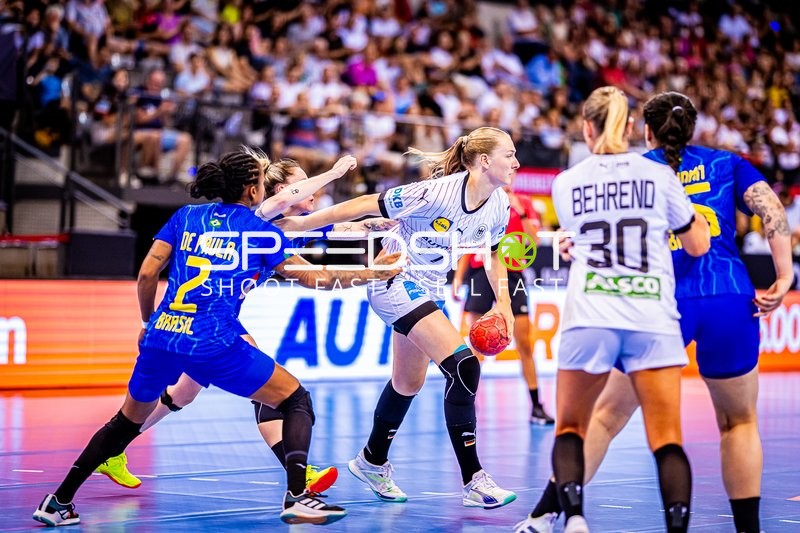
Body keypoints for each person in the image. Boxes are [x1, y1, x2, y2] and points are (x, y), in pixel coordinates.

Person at [32, 149, 401, 527]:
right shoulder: (260, 228)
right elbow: (314, 278)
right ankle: (298, 496)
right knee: (295, 400)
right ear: (253, 190)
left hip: (162, 334)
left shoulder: (186, 216)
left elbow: (146, 273)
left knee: (125, 422)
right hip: (211, 339)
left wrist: (148, 321)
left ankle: (57, 501)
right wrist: (373, 274)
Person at [520, 91, 792, 533]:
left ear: (644, 130)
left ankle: (550, 512)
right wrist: (782, 277)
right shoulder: (726, 163)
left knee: (606, 417)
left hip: (657, 302)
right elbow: (771, 209)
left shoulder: (635, 169)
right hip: (726, 293)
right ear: (693, 127)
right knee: (739, 422)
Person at [283, 126, 520, 509]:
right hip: (394, 279)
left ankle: (371, 461)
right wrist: (299, 225)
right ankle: (474, 480)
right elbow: (361, 203)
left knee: (407, 383)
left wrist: (504, 304)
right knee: (463, 367)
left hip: (431, 290)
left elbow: (493, 255)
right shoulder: (434, 192)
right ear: (485, 160)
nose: (517, 161)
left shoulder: (498, 203)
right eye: (509, 154)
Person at [514, 87, 711, 533]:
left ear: (586, 127)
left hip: (591, 313)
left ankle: (575, 518)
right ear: (629, 128)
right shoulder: (659, 177)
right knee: (667, 440)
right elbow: (696, 243)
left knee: (570, 427)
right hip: (651, 315)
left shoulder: (565, 182)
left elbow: (580, 239)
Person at [452, 186, 554, 425]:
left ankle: (537, 406)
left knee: (525, 343)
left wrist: (521, 212)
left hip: (513, 272)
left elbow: (535, 242)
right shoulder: (480, 197)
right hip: (481, 272)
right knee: (476, 342)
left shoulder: (524, 202)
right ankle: (467, 403)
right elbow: (471, 242)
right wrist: (459, 277)